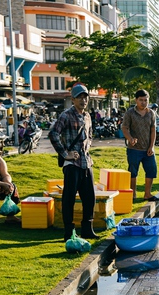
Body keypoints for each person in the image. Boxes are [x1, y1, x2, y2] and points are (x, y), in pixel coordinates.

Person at [49, 83, 99, 241]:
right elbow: (53, 134)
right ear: (73, 99)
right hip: (72, 165)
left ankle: (87, 229)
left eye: (85, 97)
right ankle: (69, 231)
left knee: (90, 198)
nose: (83, 100)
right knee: (69, 199)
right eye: (80, 97)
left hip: (86, 162)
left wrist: (87, 147)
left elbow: (90, 135)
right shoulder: (66, 115)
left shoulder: (88, 116)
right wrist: (65, 154)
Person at [121, 89, 159, 202]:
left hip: (148, 149)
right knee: (133, 172)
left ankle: (147, 194)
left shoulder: (151, 113)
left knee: (152, 170)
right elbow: (124, 128)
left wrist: (151, 146)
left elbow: (153, 130)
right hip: (134, 149)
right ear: (136, 100)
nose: (143, 102)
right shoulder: (130, 113)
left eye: (145, 100)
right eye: (141, 100)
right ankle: (132, 195)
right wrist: (130, 139)